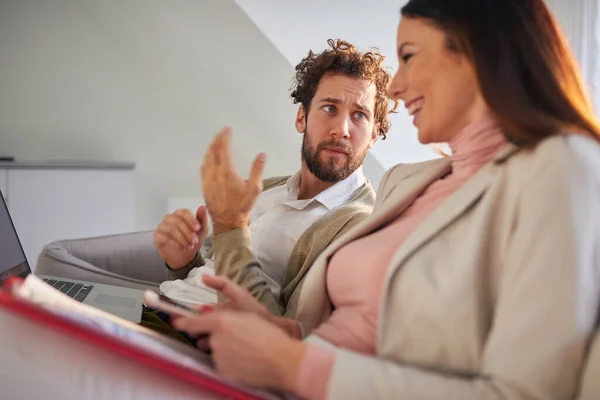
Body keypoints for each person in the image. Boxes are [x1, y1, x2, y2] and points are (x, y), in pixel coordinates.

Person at [172, 0, 600, 399]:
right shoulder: (408, 181)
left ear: (479, 54)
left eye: (409, 56)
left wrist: (296, 364)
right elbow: (366, 332)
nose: (395, 88)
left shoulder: (563, 165)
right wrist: (281, 335)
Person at [152, 39, 398, 318]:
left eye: (359, 115)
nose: (342, 129)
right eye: (330, 108)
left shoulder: (359, 227)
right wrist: (182, 261)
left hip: (201, 343)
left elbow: (281, 338)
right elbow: (203, 279)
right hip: (161, 307)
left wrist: (230, 227)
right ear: (301, 118)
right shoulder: (270, 189)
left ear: (374, 135)